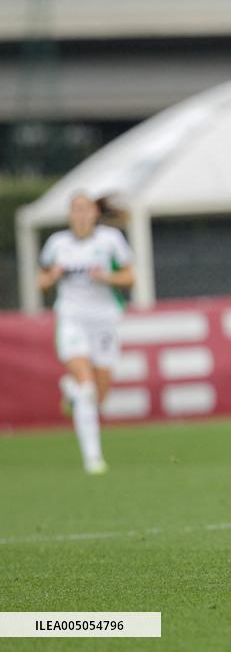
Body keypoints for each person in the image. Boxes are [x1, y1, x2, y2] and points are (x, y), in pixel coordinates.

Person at [38, 193, 135, 474]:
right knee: (87, 385)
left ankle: (70, 391)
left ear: (94, 213)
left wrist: (106, 277)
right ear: (69, 215)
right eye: (75, 210)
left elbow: (131, 277)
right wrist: (52, 276)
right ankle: (93, 458)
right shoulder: (57, 244)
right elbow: (40, 281)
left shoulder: (110, 240)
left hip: (105, 321)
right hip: (72, 319)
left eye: (85, 209)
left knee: (97, 396)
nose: (80, 215)